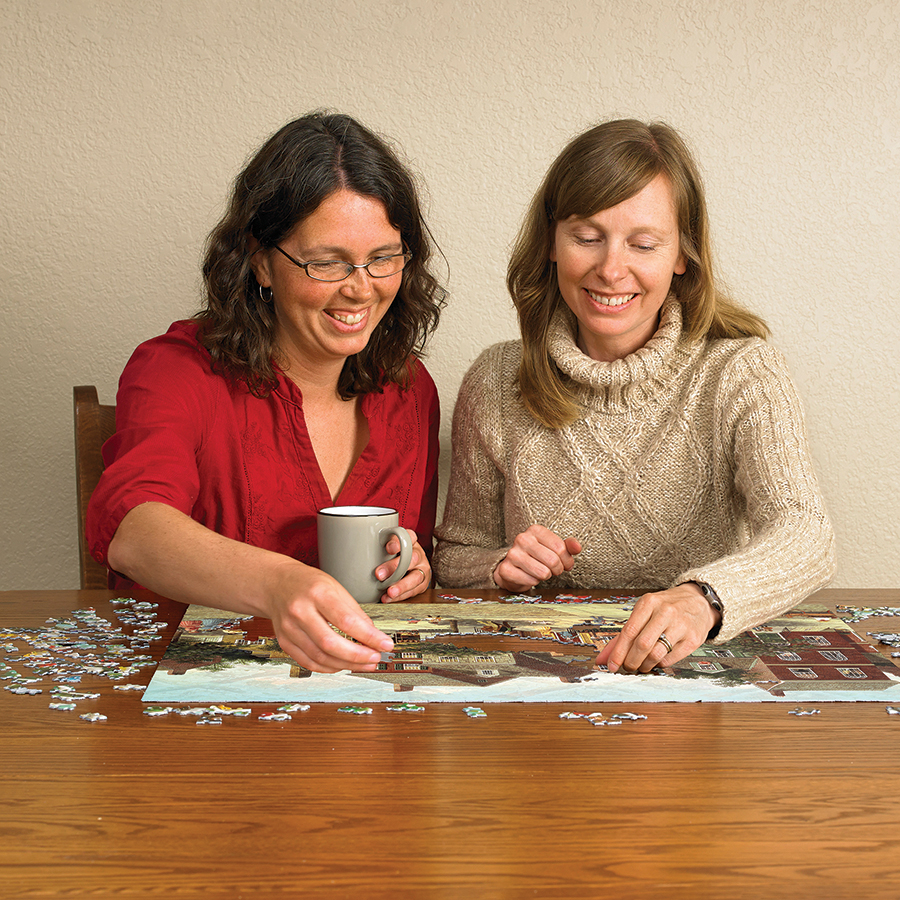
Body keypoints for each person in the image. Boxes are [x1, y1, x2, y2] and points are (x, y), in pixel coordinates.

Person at [433, 118, 835, 673]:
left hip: (696, 673)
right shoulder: (496, 380)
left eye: (643, 244)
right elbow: (455, 557)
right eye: (587, 238)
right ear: (551, 242)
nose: (610, 269)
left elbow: (806, 534)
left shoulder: (742, 371)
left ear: (682, 255)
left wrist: (703, 599)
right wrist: (499, 566)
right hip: (545, 676)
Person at [87, 112, 445, 674]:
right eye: (326, 262)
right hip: (192, 693)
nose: (361, 288)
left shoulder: (410, 390)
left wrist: (415, 567)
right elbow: (134, 531)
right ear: (260, 261)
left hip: (360, 697)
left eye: (382, 258)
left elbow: (410, 559)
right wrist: (280, 584)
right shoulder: (175, 371)